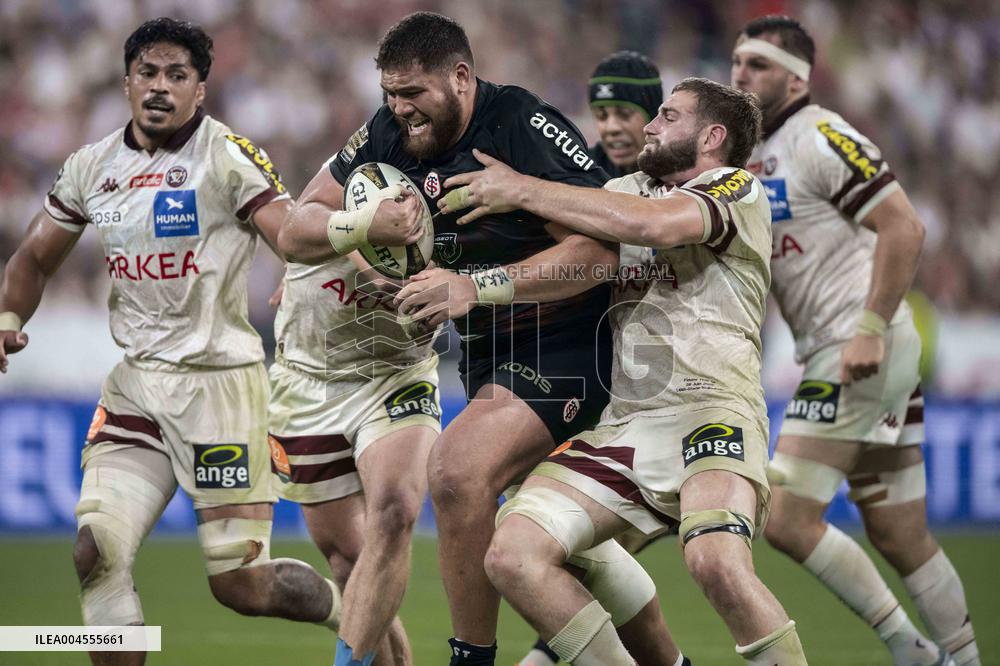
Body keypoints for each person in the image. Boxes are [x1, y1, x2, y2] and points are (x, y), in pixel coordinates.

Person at [279, 11, 684, 666]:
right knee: (565, 545)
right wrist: (367, 239)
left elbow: (601, 254)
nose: (399, 109)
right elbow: (300, 225)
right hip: (488, 357)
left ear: (461, 77)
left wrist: (477, 287)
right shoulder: (387, 131)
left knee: (456, 471)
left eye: (412, 93)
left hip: (570, 350)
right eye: (389, 93)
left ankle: (472, 658)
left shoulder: (522, 125)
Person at [413, 77, 809, 665]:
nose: (651, 126)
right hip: (628, 425)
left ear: (713, 136)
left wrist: (522, 187)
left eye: (668, 117)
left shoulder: (735, 187)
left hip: (712, 412)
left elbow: (650, 227)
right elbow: (579, 253)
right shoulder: (628, 189)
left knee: (716, 563)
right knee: (512, 556)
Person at [0, 18, 341, 666]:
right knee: (94, 550)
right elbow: (32, 258)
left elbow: (291, 236)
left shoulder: (228, 156)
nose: (160, 86)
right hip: (137, 387)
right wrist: (8, 321)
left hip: (222, 389)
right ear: (127, 82)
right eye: (148, 73)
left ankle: (356, 610)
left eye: (177, 75)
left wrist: (357, 230)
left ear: (200, 91)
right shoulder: (92, 166)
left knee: (240, 585)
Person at [730, 15, 978, 666]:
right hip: (834, 346)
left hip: (859, 343)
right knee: (900, 535)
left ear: (796, 78)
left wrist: (869, 327)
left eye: (755, 65)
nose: (740, 75)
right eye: (736, 63)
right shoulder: (750, 155)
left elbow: (906, 227)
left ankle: (912, 650)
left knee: (785, 519)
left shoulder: (822, 136)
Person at [268, 166, 443, 665]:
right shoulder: (360, 163)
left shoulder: (469, 180)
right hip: (310, 380)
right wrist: (363, 236)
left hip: (396, 373)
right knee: (348, 560)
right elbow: (292, 230)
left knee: (394, 509)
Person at [587, 50, 663, 178]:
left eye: (625, 114)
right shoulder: (580, 169)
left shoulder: (686, 172)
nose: (612, 128)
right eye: (602, 116)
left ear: (654, 117)